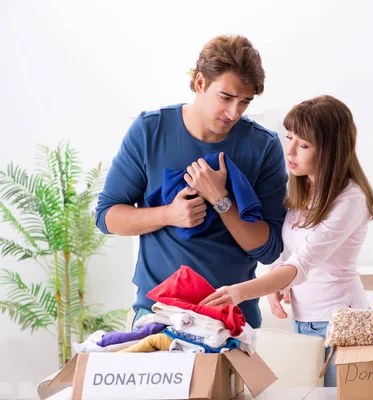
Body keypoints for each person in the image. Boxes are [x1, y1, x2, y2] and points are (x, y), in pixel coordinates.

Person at [95, 35, 288, 330]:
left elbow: (269, 249)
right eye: (226, 97)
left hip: (233, 320)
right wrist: (168, 214)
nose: (234, 113)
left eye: (244, 102)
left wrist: (222, 200)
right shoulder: (150, 131)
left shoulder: (263, 146)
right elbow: (107, 217)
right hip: (158, 315)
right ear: (200, 84)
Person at [199, 94, 373, 387]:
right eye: (290, 138)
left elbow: (303, 262)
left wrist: (239, 292)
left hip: (342, 322)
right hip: (303, 319)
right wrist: (277, 279)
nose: (290, 151)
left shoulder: (350, 200)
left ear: (331, 150)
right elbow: (294, 253)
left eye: (304, 145)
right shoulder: (302, 189)